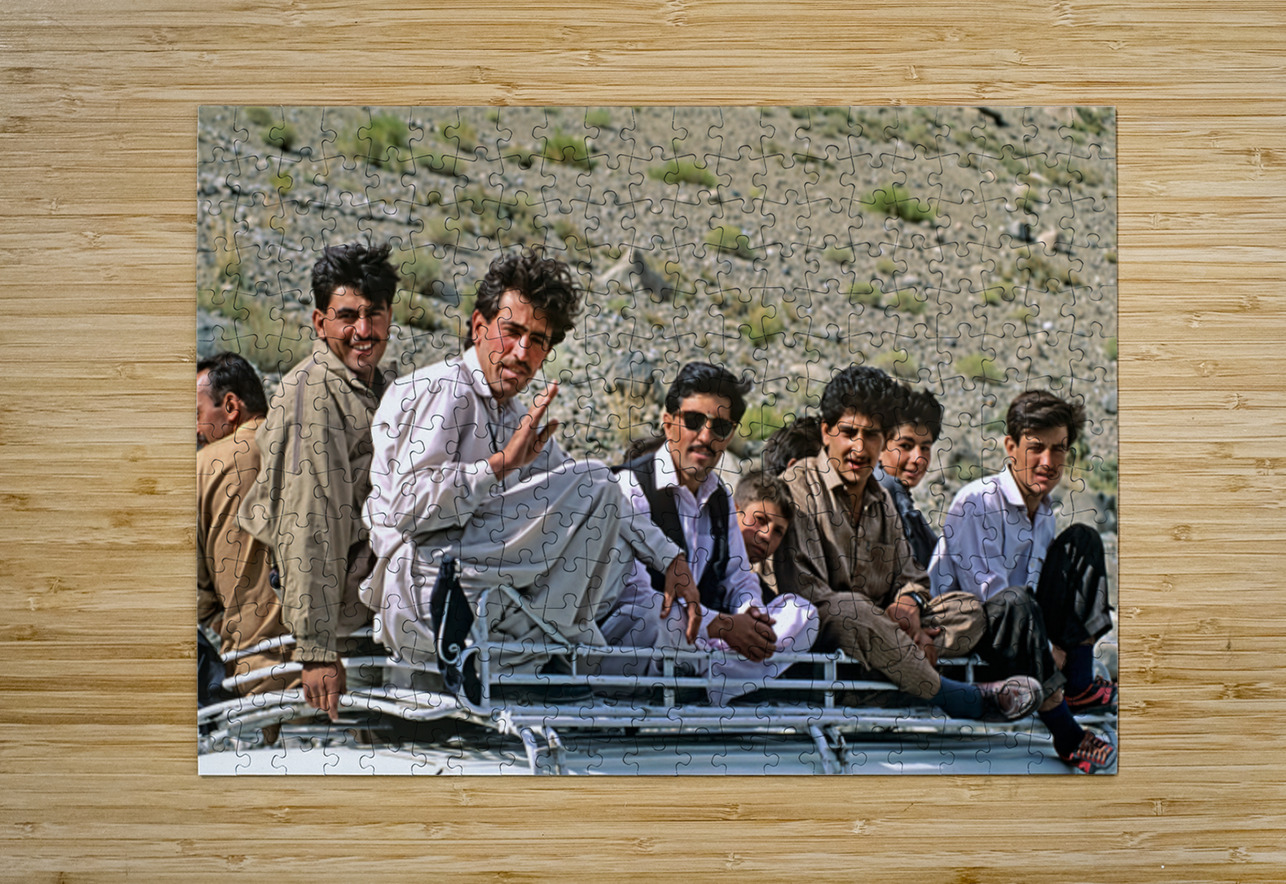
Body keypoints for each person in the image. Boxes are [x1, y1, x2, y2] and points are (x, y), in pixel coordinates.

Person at [362, 248, 697, 700]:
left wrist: (670, 559)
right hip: (422, 585)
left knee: (610, 528)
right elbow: (405, 509)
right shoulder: (442, 389)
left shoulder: (513, 414)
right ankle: (540, 650)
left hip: (471, 583)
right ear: (480, 328)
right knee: (596, 482)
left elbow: (606, 499)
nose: (522, 353)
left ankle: (532, 654)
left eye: (538, 341)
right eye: (512, 331)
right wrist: (498, 467)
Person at [773, 364, 1040, 722]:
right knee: (849, 609)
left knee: (968, 609)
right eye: (848, 432)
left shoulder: (881, 498)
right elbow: (809, 596)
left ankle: (892, 683)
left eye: (871, 435)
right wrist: (894, 630)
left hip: (884, 635)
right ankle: (960, 697)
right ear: (825, 432)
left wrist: (908, 605)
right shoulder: (796, 489)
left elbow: (912, 574)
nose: (859, 447)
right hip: (828, 635)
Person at [238, 242, 398, 721]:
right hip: (342, 636)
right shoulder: (313, 395)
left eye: (375, 314)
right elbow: (308, 526)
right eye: (347, 316)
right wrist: (316, 649)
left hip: (376, 620)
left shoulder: (382, 388)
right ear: (319, 321)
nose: (363, 331)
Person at [601, 364, 818, 705]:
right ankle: (724, 681)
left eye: (718, 426)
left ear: (730, 435)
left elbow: (740, 577)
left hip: (699, 638)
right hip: (638, 638)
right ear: (668, 421)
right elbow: (637, 599)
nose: (705, 436)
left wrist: (751, 616)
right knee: (648, 619)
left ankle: (704, 682)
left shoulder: (719, 497)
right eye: (692, 421)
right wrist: (724, 627)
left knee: (803, 614)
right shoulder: (630, 487)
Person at [929, 390, 1117, 773]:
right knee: (1014, 600)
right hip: (968, 637)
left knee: (1082, 541)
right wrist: (1048, 647)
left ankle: (1079, 683)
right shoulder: (975, 502)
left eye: (1059, 449)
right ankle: (1066, 734)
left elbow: (1040, 589)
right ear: (1010, 446)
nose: (1048, 462)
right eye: (1036, 448)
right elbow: (990, 595)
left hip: (1021, 630)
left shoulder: (1045, 512)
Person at [197, 353, 297, 697]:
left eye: (197, 415)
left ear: (230, 405)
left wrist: (227, 619)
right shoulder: (314, 444)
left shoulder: (204, 466)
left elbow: (195, 594)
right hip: (343, 670)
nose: (195, 429)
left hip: (255, 674)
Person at [874, 386, 943, 568]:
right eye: (905, 446)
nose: (918, 458)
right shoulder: (884, 488)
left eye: (925, 448)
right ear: (879, 446)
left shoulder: (899, 498)